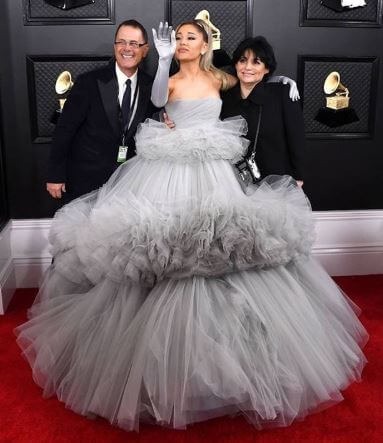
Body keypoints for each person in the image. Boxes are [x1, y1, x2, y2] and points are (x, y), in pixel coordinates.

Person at [16, 20, 367, 432]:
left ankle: (236, 357)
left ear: (205, 44)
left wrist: (281, 80)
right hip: (166, 171)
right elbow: (158, 97)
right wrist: (163, 61)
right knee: (165, 250)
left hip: (215, 172)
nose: (182, 42)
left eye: (189, 38)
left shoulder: (221, 78)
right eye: (177, 38)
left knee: (222, 247)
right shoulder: (165, 78)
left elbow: (250, 80)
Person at [46, 19, 158, 202]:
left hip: (129, 181)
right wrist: (55, 174)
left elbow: (156, 122)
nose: (126, 48)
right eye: (121, 42)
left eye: (134, 43)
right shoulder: (88, 82)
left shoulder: (151, 86)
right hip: (86, 179)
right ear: (115, 46)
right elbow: (64, 129)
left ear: (144, 50)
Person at [220, 36, 305, 186]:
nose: (247, 67)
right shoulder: (224, 97)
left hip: (276, 178)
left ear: (266, 69)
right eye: (242, 60)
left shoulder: (282, 94)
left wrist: (298, 176)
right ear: (236, 64)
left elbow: (296, 137)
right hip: (233, 181)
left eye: (256, 62)